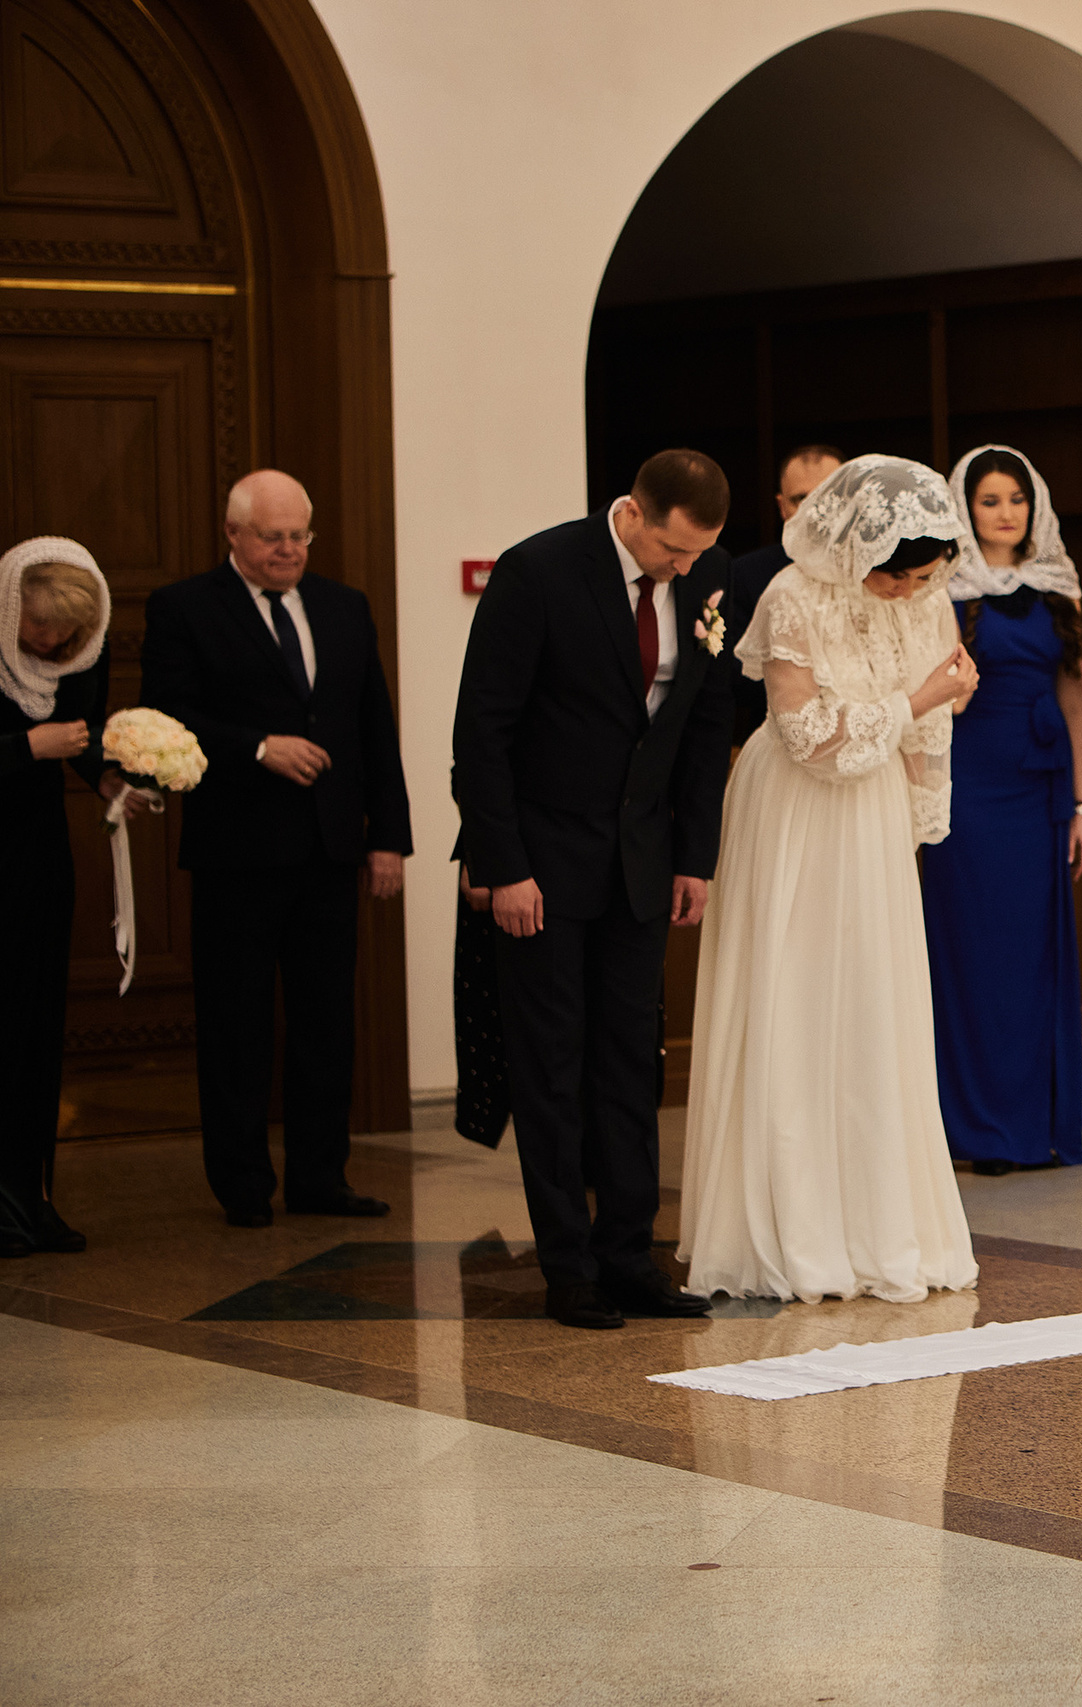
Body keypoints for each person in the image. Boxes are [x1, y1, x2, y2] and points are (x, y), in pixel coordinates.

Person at [678, 455, 982, 1303]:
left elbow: (930, 726)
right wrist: (920, 698)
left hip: (874, 812)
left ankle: (881, 1224)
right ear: (860, 550)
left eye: (926, 577)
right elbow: (808, 735)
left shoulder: (926, 598)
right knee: (797, 994)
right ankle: (789, 1224)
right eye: (898, 577)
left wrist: (923, 810)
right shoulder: (792, 598)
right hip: (797, 811)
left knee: (873, 1004)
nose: (911, 592)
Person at [452, 449, 734, 1330]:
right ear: (634, 515)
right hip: (541, 865)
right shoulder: (538, 571)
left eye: (696, 557)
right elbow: (483, 729)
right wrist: (503, 866)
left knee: (628, 1065)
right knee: (551, 1066)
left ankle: (629, 1255)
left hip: (641, 866)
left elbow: (700, 725)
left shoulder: (700, 581)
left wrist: (695, 855)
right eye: (672, 552)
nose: (684, 570)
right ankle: (568, 1265)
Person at [142, 471, 412, 1230]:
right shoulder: (185, 607)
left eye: (300, 535)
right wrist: (257, 747)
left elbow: (372, 727)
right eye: (273, 536)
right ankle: (242, 1181)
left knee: (327, 1019)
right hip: (237, 849)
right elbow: (167, 716)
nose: (289, 548)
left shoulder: (343, 605)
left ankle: (321, 1174)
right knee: (238, 1021)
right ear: (234, 534)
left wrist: (387, 836)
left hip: (329, 849)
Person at [920, 445, 1082, 1176]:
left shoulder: (1059, 587)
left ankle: (1034, 1126)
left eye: (1015, 500)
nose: (1005, 513)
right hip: (966, 787)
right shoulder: (940, 587)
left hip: (1040, 790)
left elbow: (1076, 696)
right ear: (966, 508)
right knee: (968, 955)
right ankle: (970, 1128)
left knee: (1030, 958)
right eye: (989, 501)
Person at [0, 539, 126, 1258]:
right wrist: (26, 748)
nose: (49, 643)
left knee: (37, 1031)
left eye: (64, 633)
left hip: (39, 859)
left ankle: (30, 1196)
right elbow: (42, 742)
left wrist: (108, 778)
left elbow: (77, 737)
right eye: (37, 628)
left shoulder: (82, 646)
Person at [721, 444, 843, 745]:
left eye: (825, 495)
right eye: (801, 498)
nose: (814, 510)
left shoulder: (884, 572)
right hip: (780, 746)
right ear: (782, 506)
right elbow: (731, 675)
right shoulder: (745, 575)